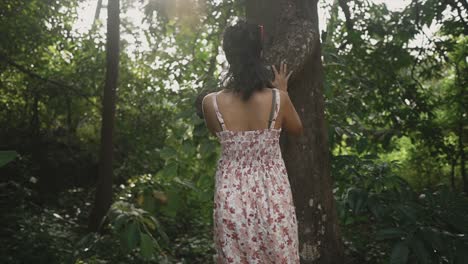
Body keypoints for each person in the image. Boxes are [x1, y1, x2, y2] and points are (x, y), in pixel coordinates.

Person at [201, 20, 303, 263]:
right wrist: (283, 92)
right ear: (259, 53)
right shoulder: (279, 100)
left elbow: (216, 132)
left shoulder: (211, 103)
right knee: (279, 255)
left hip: (231, 198)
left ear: (228, 55)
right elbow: (297, 129)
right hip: (273, 197)